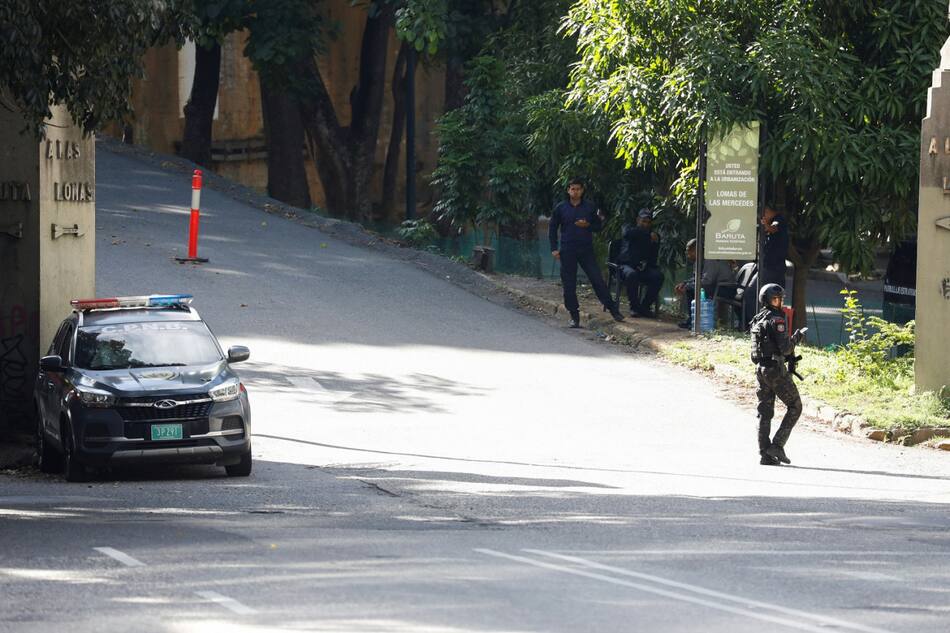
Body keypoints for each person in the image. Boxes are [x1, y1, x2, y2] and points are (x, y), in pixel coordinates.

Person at [549, 179, 624, 327]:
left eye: (578, 189)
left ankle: (613, 310)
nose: (575, 191)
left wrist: (588, 225)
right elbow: (552, 228)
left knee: (597, 279)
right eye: (572, 189)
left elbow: (598, 226)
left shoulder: (589, 207)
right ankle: (574, 316)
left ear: (582, 191)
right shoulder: (561, 208)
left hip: (585, 249)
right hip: (567, 249)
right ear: (568, 190)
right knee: (569, 284)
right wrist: (554, 248)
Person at [749, 284, 804, 466]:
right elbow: (786, 347)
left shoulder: (758, 318)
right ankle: (777, 445)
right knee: (795, 406)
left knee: (764, 412)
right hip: (774, 370)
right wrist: (796, 337)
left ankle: (765, 454)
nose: (779, 302)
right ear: (767, 300)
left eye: (780, 299)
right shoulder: (777, 320)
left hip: (761, 370)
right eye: (775, 299)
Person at [674, 239, 736, 329]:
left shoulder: (709, 259)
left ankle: (694, 321)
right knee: (690, 288)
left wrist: (688, 286)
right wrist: (684, 283)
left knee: (691, 288)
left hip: (726, 288)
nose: (688, 255)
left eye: (689, 252)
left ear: (696, 251)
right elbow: (696, 279)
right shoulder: (698, 261)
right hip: (715, 286)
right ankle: (692, 320)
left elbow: (707, 281)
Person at [617, 208, 664, 318]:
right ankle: (634, 307)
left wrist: (654, 242)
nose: (645, 224)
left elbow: (653, 256)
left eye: (648, 222)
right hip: (625, 266)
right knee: (631, 275)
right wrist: (647, 235)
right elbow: (628, 234)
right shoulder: (630, 229)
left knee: (658, 277)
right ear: (638, 220)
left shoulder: (652, 235)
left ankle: (644, 307)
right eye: (643, 221)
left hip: (642, 268)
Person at [759, 203, 789, 289]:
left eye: (763, 216)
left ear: (767, 212)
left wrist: (765, 224)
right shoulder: (776, 220)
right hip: (773, 265)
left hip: (775, 266)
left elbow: (773, 229)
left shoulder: (778, 220)